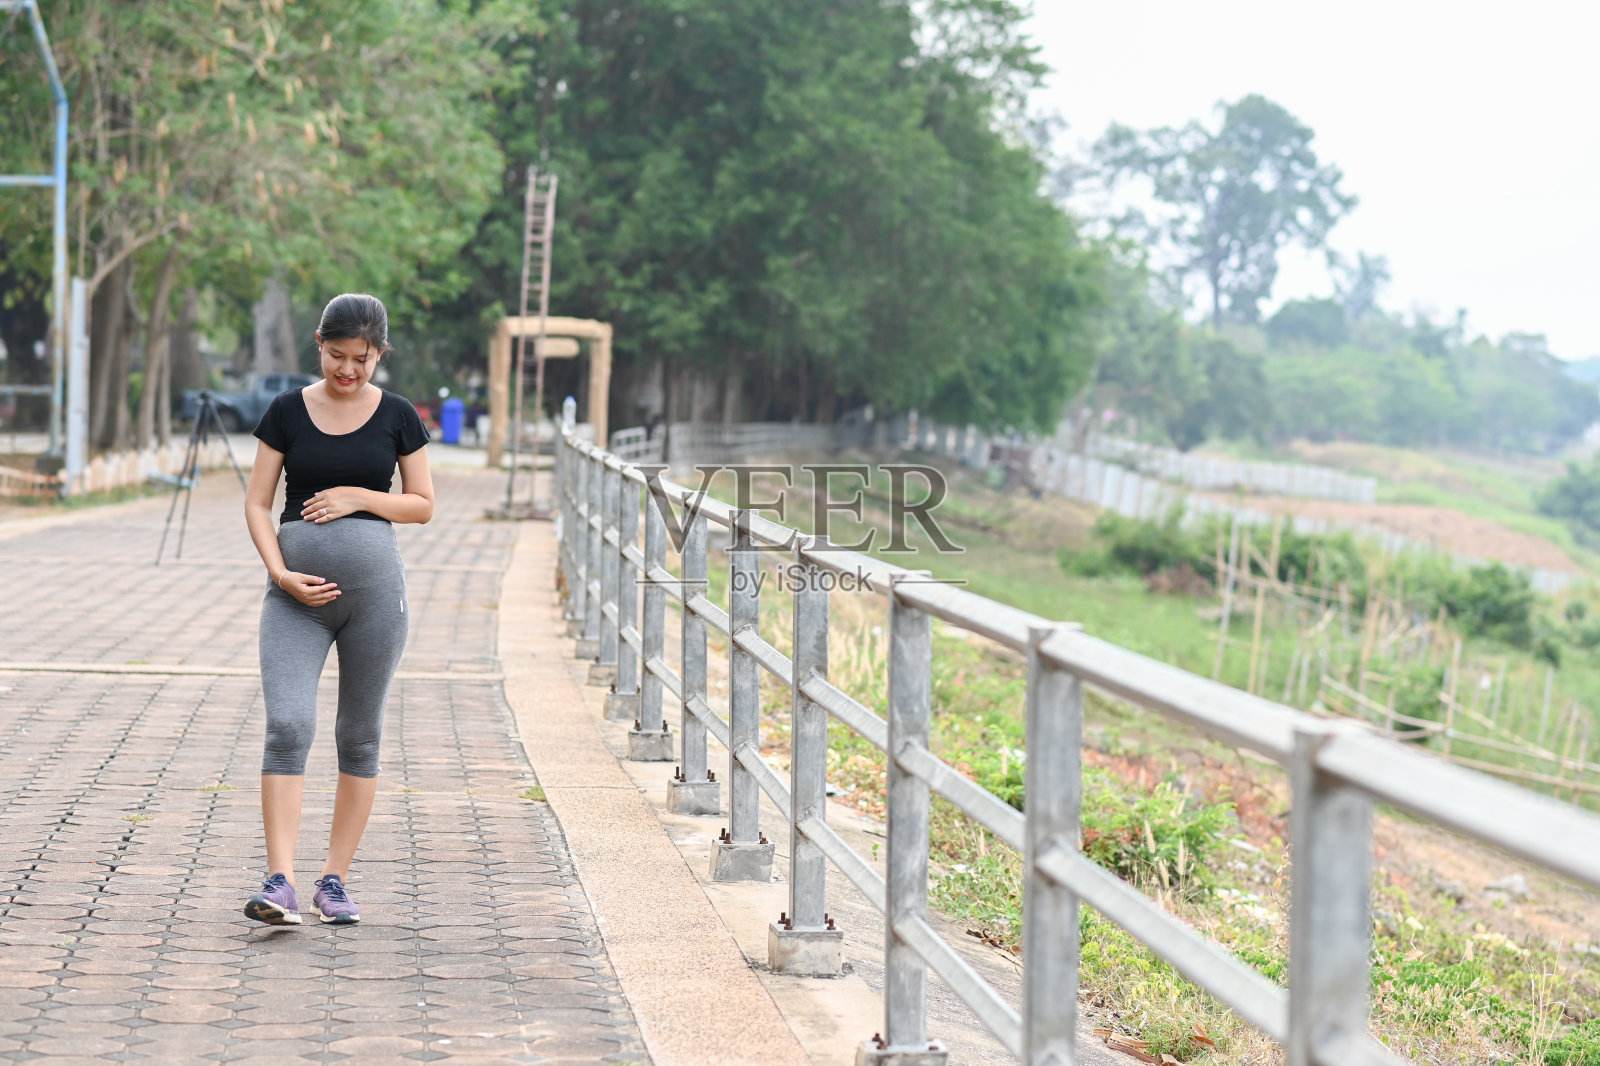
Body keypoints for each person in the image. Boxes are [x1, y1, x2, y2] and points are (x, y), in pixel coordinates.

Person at [240, 293, 434, 925]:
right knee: (288, 726)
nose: (347, 370)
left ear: (379, 353)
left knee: (359, 735)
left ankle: (334, 881)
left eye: (361, 359)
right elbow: (257, 504)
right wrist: (280, 574)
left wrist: (357, 495)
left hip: (376, 603)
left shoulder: (399, 415)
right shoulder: (287, 411)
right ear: (318, 343)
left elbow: (421, 503)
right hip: (295, 600)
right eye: (336, 356)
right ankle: (280, 882)